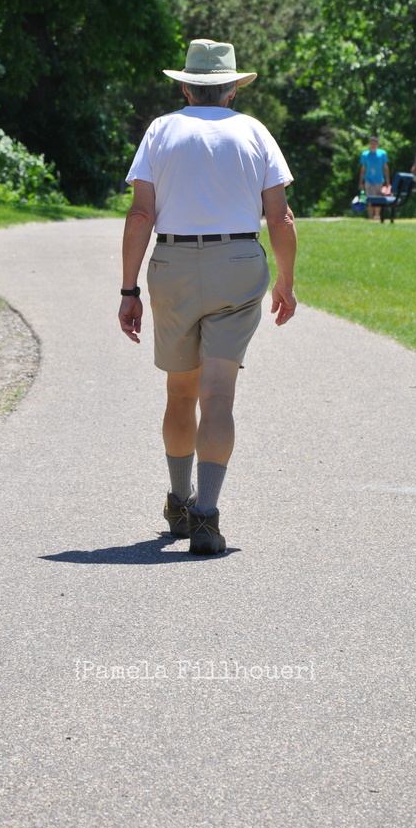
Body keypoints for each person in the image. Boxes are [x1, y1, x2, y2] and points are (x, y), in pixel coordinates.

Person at [118, 38, 297, 556]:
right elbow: (280, 216)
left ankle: (177, 501)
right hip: (238, 265)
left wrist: (129, 289)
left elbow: (139, 215)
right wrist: (285, 279)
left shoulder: (161, 129)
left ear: (184, 86)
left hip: (172, 264)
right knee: (219, 394)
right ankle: (206, 518)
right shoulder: (254, 132)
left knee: (181, 393)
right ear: (233, 90)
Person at [358, 136, 390, 221]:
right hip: (369, 180)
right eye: (371, 143)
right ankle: (370, 217)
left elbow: (385, 167)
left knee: (378, 199)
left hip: (379, 180)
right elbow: (363, 168)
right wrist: (360, 181)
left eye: (375, 143)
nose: (373, 145)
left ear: (378, 144)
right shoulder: (365, 155)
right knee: (370, 198)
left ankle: (377, 215)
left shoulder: (382, 154)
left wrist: (387, 181)